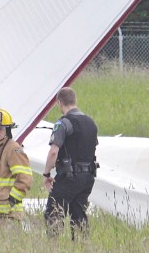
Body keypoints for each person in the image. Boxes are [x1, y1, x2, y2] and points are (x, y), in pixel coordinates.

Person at [43, 87, 99, 240]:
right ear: (75, 101)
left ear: (59, 103)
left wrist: (46, 173)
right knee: (78, 215)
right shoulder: (91, 123)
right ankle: (82, 247)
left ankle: (53, 247)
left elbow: (54, 152)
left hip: (69, 177)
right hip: (88, 177)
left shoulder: (64, 123)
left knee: (53, 214)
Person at [0, 108, 33, 226]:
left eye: (0, 128)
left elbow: (25, 178)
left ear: (7, 130)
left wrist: (12, 200)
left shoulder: (13, 149)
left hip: (8, 216)